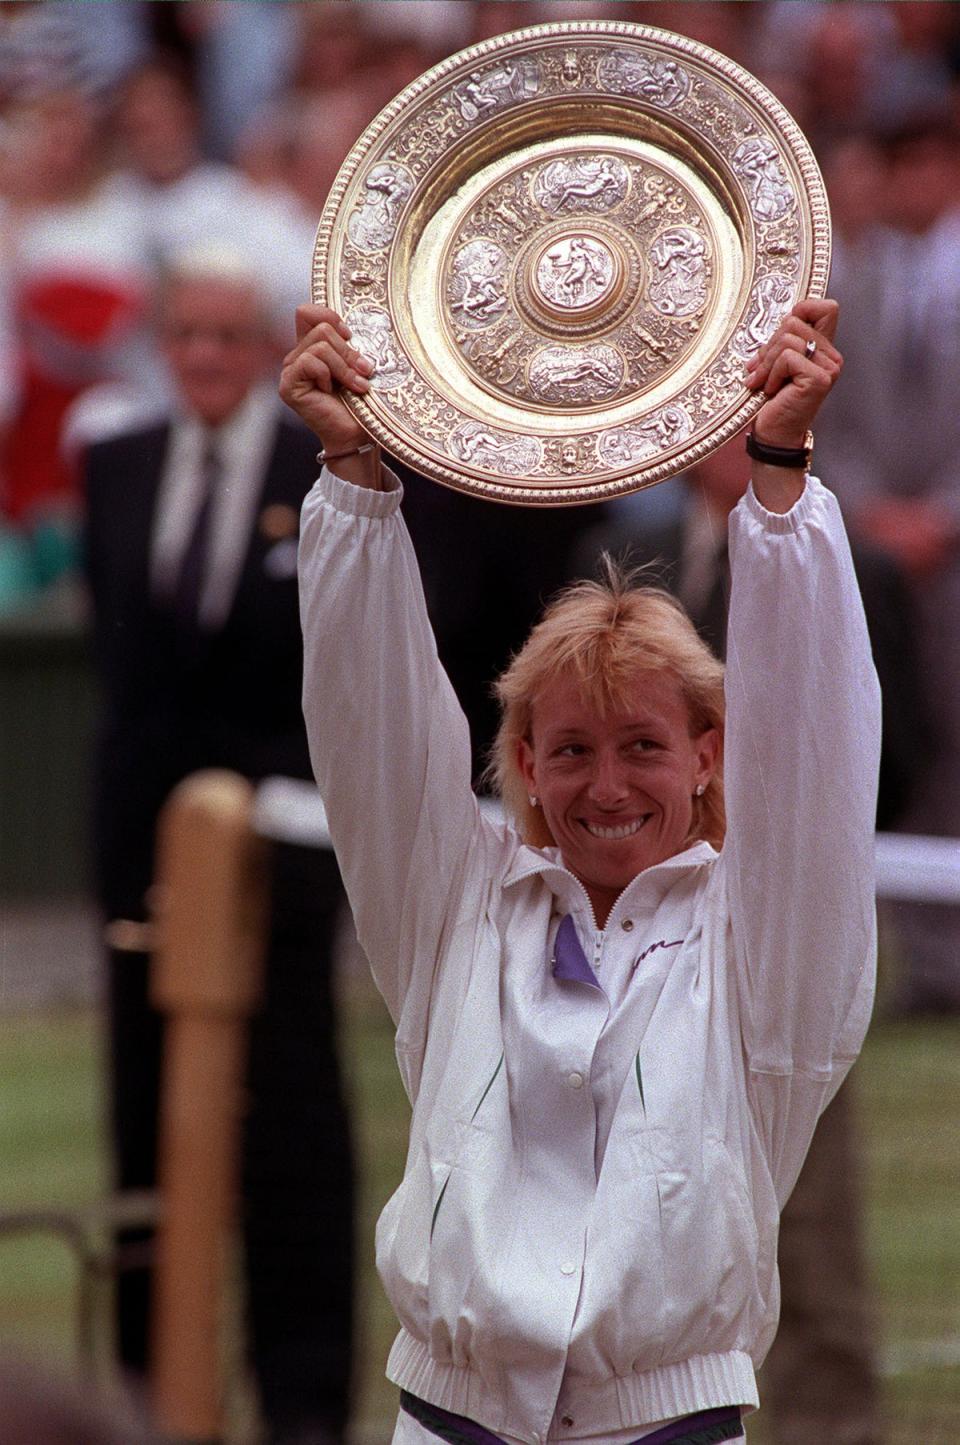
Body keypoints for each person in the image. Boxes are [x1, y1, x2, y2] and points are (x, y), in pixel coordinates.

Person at [280, 297, 879, 1444]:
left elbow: (816, 748)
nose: (607, 787)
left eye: (645, 745)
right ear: (521, 763)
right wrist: (352, 467)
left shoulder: (763, 948)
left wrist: (782, 476)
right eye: (571, 750)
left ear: (709, 753)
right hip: (444, 1417)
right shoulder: (456, 909)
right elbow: (368, 723)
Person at [82, 253, 354, 1445]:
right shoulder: (113, 464)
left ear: (261, 347)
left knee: (293, 1127)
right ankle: (149, 1399)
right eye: (184, 334)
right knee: (141, 1120)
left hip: (280, 858)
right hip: (139, 858)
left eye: (226, 336)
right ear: (162, 341)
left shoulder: (327, 466)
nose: (203, 356)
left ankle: (301, 1399)